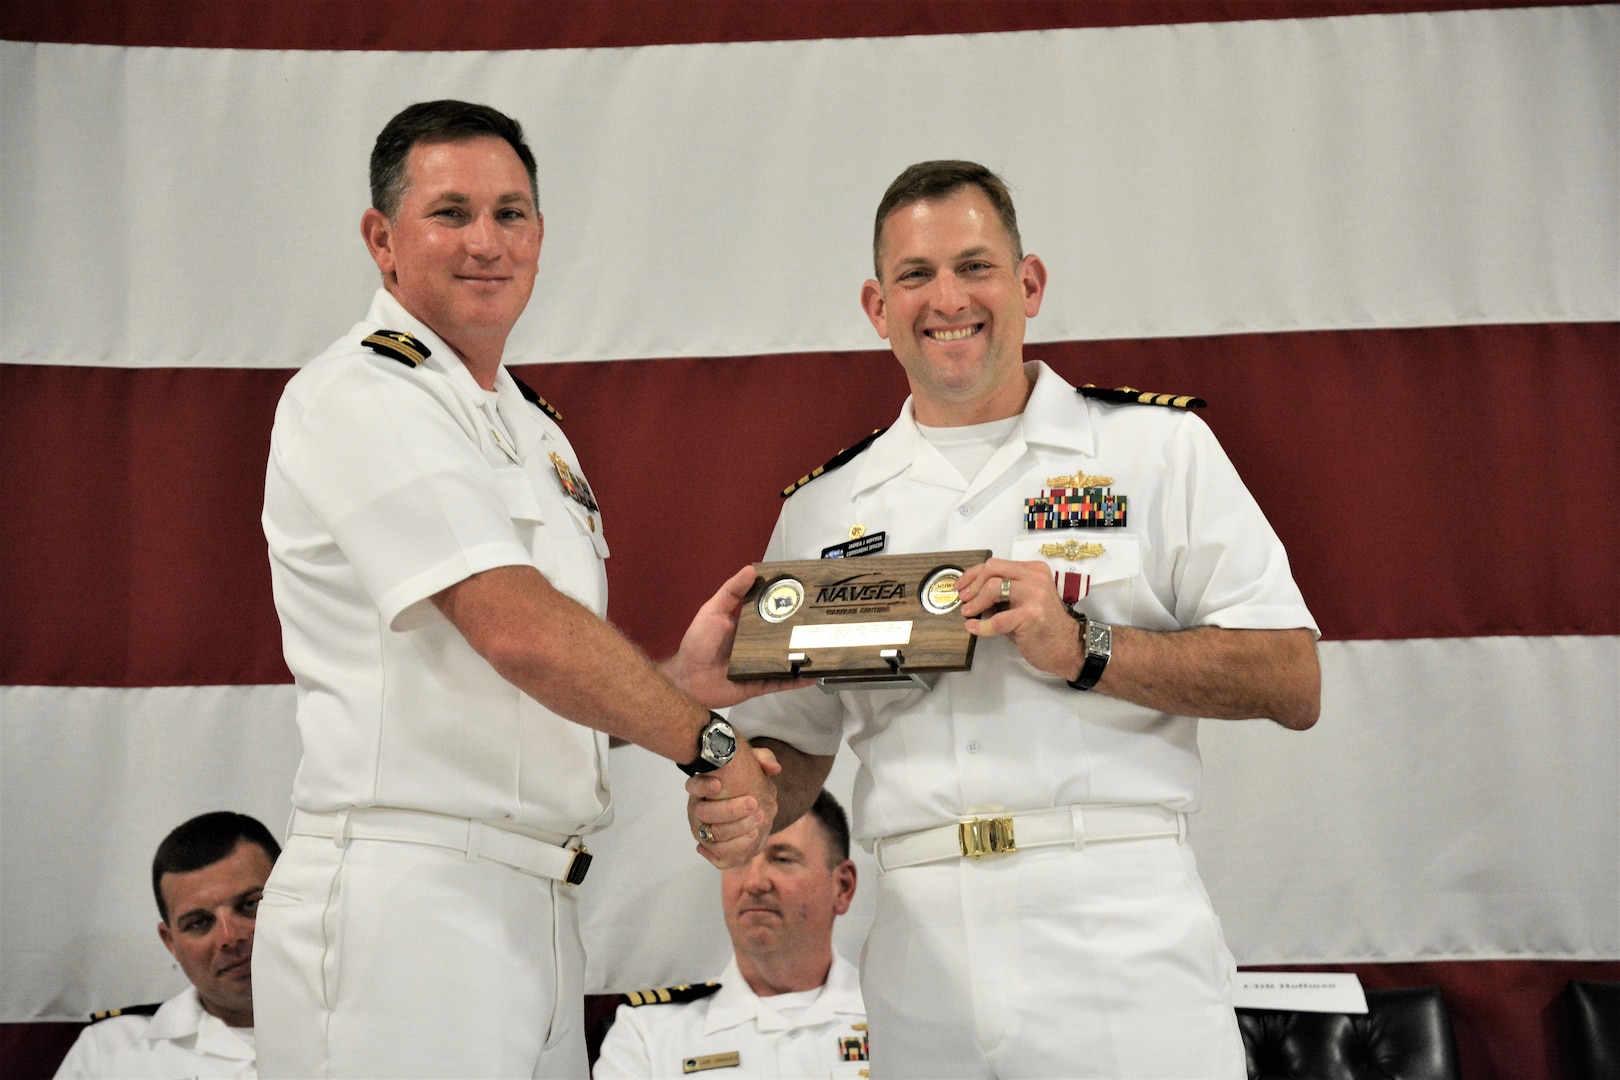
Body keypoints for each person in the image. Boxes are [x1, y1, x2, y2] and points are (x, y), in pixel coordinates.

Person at [691, 161, 1321, 1078]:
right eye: (915, 275)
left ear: (1028, 284)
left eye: (975, 266)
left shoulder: (1154, 449)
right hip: (920, 955)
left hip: (1116, 932)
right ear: (876, 305)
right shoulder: (824, 511)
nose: (948, 298)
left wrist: (1086, 647)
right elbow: (792, 756)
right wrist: (727, 783)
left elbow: (1293, 679)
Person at [256, 100, 787, 1079]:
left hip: (538, 912)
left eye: (512, 214)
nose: (487, 242)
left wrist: (682, 681)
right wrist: (707, 744)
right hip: (407, 914)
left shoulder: (532, 432)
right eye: (450, 212)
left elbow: (525, 700)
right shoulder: (364, 395)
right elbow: (519, 633)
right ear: (382, 240)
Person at [595, 790, 867, 1079]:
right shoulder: (647, 1035)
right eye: (739, 860)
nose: (755, 882)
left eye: (783, 859)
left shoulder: (895, 1018)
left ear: (843, 886)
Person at [55, 812, 279, 1079]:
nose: (230, 938)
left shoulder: (343, 1028)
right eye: (199, 923)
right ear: (170, 942)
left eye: (250, 905)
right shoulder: (107, 1054)